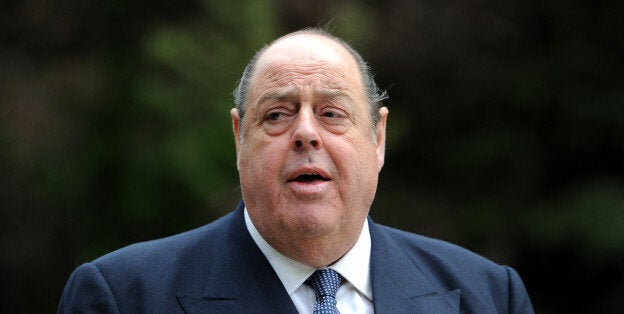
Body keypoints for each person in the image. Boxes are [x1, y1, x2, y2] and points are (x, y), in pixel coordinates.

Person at [58, 28, 533, 313]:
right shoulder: (124, 298)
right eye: (278, 115)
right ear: (239, 138)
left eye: (331, 113)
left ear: (378, 138)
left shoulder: (488, 296)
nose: (306, 134)